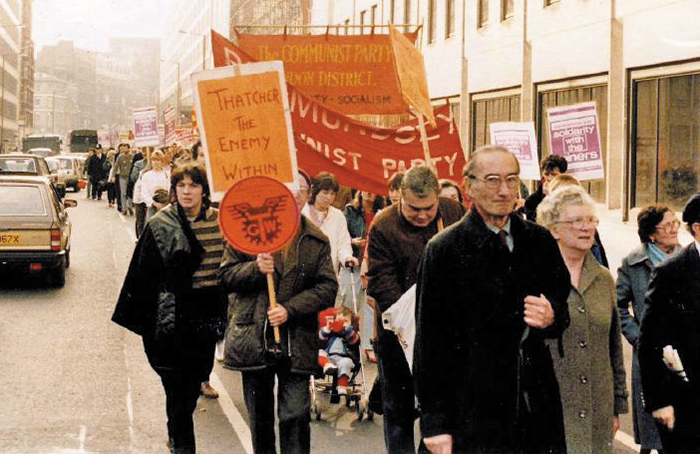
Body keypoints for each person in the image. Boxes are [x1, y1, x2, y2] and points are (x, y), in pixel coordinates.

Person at [414, 145, 570, 454]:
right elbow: (430, 342)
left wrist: (552, 316)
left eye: (512, 180)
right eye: (493, 180)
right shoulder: (444, 249)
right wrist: (434, 423)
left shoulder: (539, 241)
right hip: (470, 409)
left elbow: (561, 309)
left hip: (533, 404)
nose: (504, 190)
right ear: (468, 185)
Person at [219, 170, 339, 454]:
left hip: (295, 340)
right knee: (260, 420)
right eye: (287, 188)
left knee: (295, 415)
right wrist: (254, 269)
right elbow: (225, 277)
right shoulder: (245, 230)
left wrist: (290, 309)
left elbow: (326, 288)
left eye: (300, 189)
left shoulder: (315, 239)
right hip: (255, 338)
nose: (293, 194)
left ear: (307, 196)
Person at [111, 163, 227, 454]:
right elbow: (142, 277)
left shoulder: (221, 223)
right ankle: (182, 446)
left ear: (204, 189)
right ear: (174, 189)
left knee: (191, 387)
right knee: (177, 387)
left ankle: (176, 433)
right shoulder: (160, 224)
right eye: (181, 186)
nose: (187, 191)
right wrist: (149, 323)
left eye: (194, 185)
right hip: (172, 319)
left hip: (206, 315)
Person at [366, 165, 464, 454]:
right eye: (413, 208)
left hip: (448, 338)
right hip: (399, 336)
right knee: (398, 414)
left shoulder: (454, 213)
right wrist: (418, 325)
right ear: (400, 199)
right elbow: (383, 285)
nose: (422, 215)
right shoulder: (383, 225)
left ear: (437, 198)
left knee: (443, 415)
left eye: (428, 208)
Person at [537, 185, 629, 453]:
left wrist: (616, 407)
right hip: (552, 408)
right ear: (554, 229)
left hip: (597, 408)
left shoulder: (603, 279)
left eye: (590, 220)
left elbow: (613, 347)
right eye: (576, 220)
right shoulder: (535, 276)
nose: (586, 227)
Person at [639, 193, 700, 454]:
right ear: (698, 228)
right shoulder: (672, 272)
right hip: (689, 403)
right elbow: (649, 341)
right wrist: (659, 401)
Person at [617, 205, 681, 454]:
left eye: (676, 222)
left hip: (683, 353)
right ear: (651, 234)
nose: (675, 228)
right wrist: (638, 337)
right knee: (653, 429)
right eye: (668, 225)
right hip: (650, 354)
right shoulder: (633, 263)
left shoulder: (687, 259)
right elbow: (619, 306)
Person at [301, 172, 358, 272]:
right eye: (325, 192)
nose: (329, 197)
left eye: (332, 194)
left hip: (329, 274)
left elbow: (343, 244)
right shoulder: (302, 212)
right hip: (304, 272)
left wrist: (347, 258)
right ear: (315, 191)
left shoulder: (338, 216)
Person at [317, 306, 360, 397]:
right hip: (329, 358)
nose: (341, 323)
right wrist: (328, 328)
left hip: (344, 357)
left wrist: (347, 329)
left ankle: (342, 386)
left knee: (346, 363)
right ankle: (327, 366)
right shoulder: (331, 333)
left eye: (345, 321)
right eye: (339, 321)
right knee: (320, 353)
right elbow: (321, 338)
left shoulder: (351, 334)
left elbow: (354, 340)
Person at [524, 154, 568, 221]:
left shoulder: (569, 198)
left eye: (554, 175)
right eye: (547, 174)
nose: (549, 178)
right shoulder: (532, 201)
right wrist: (548, 198)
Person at [113, 143, 134, 214]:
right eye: (123, 148)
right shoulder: (120, 157)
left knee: (130, 192)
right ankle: (124, 208)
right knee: (123, 193)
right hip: (122, 177)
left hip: (130, 177)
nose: (124, 149)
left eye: (126, 148)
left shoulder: (132, 156)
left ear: (128, 148)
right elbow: (115, 167)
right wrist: (113, 176)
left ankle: (130, 207)